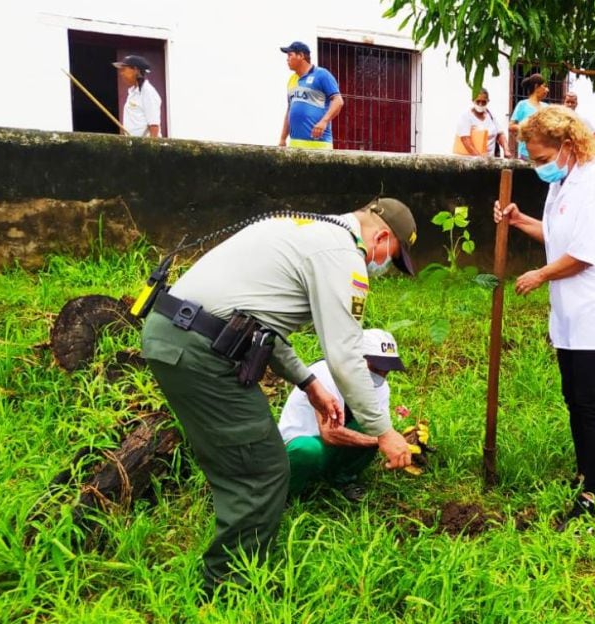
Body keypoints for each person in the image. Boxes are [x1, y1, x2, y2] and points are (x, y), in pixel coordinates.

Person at [140, 198, 418, 597]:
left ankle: (235, 565)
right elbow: (346, 354)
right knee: (262, 470)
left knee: (241, 463)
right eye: (393, 257)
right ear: (383, 236)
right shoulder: (342, 254)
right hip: (200, 348)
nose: (386, 267)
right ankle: (227, 590)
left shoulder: (301, 228)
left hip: (176, 333)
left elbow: (257, 327)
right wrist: (385, 432)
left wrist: (309, 383)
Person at [494, 105, 595, 528]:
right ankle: (583, 471)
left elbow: (584, 254)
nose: (538, 167)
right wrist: (521, 220)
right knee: (573, 395)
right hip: (572, 311)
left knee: (593, 402)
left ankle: (594, 491)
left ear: (568, 145)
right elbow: (559, 235)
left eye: (541, 158)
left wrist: (540, 274)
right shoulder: (566, 181)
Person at [279, 328, 407, 500]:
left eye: (387, 369)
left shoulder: (381, 387)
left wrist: (399, 440)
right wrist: (379, 441)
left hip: (335, 446)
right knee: (308, 451)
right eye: (376, 367)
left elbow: (382, 428)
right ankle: (286, 494)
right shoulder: (324, 375)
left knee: (375, 426)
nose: (382, 374)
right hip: (305, 441)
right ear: (356, 359)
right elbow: (329, 434)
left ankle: (343, 479)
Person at [278, 41, 344, 149]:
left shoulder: (322, 75)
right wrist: (282, 139)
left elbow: (338, 101)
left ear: (301, 56)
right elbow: (289, 110)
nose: (287, 59)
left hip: (320, 145)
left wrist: (324, 121)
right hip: (295, 146)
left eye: (290, 55)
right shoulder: (292, 80)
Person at [112, 55, 161, 138]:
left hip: (144, 146)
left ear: (136, 70)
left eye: (124, 69)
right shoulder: (132, 92)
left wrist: (151, 149)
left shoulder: (148, 92)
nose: (121, 73)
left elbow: (154, 125)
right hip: (133, 145)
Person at [454, 88, 509, 158]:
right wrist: (479, 159)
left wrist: (506, 149)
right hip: (471, 160)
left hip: (490, 159)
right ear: (473, 100)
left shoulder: (490, 115)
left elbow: (500, 134)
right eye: (478, 101)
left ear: (488, 101)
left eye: (484, 102)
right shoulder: (466, 116)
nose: (480, 104)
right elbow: (465, 140)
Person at [510, 73, 549, 160]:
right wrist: (527, 127)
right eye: (544, 86)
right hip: (526, 153)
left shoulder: (546, 107)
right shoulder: (522, 105)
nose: (547, 90)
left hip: (544, 154)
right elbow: (511, 127)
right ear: (536, 87)